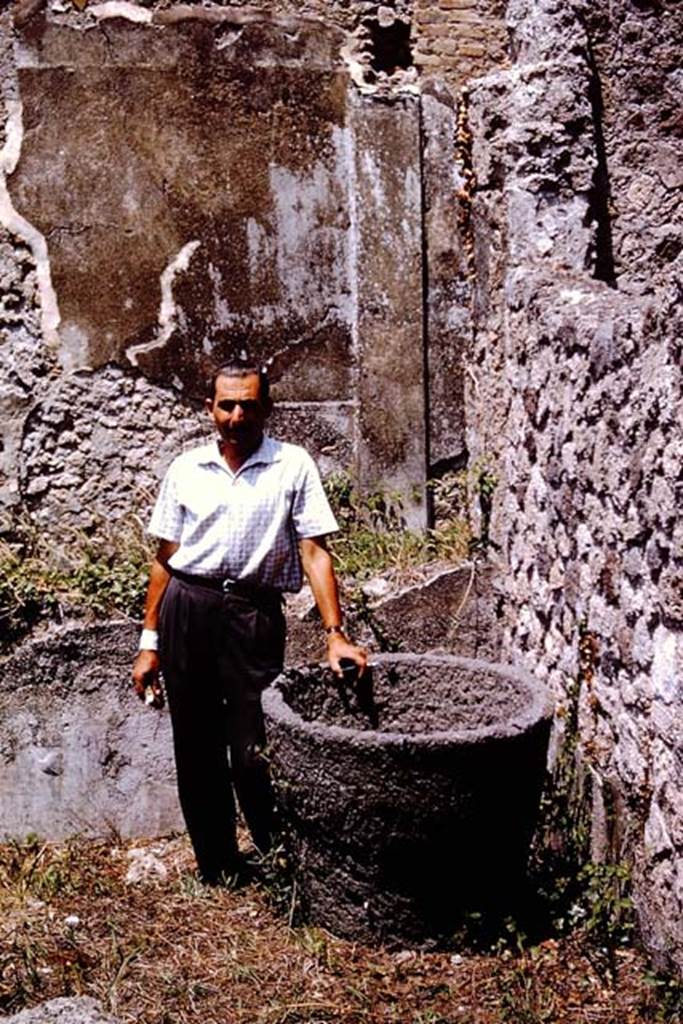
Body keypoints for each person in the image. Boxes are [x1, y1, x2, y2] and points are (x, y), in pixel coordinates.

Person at [131, 362, 367, 884]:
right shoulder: (186, 469)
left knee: (253, 750)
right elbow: (164, 559)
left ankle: (279, 860)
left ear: (266, 408)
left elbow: (314, 551)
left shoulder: (291, 465)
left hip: (253, 616)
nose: (237, 416)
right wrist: (149, 642)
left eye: (248, 405)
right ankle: (218, 868)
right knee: (195, 747)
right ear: (210, 408)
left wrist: (335, 634)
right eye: (226, 405)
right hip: (187, 608)